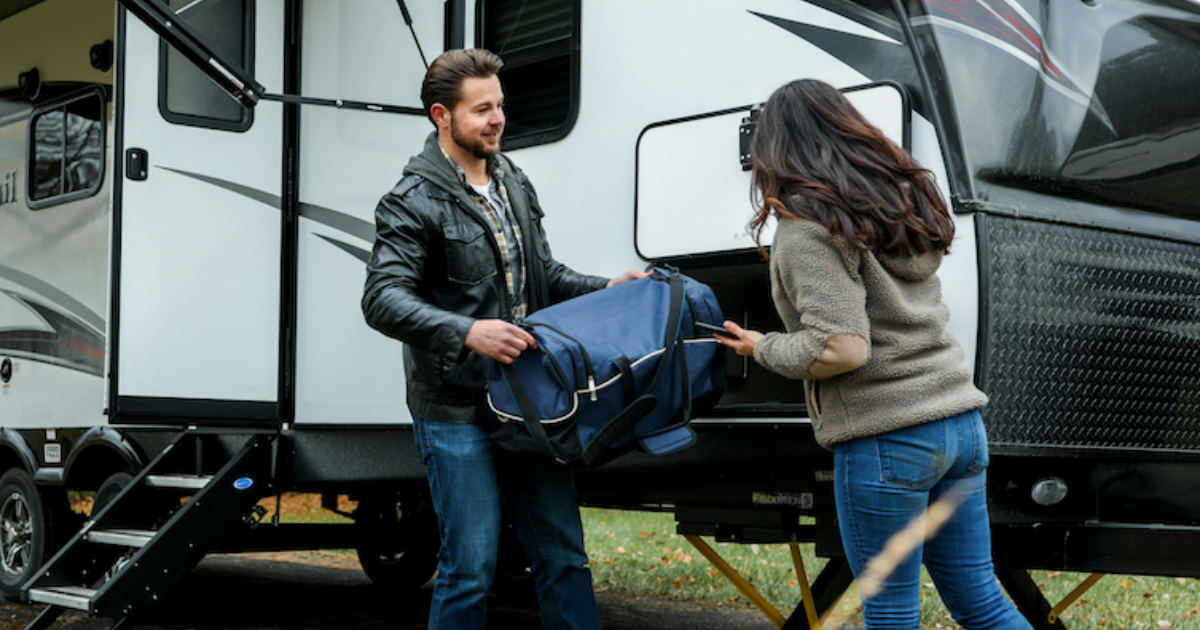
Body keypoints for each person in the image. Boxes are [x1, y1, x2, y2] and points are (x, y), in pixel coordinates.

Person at [715, 79, 1033, 630]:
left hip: (889, 436)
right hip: (959, 424)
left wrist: (761, 346)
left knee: (891, 613)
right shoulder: (896, 206)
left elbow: (841, 347)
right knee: (981, 602)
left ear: (775, 149)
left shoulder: (808, 229)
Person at [362, 48, 644, 629]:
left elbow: (544, 276)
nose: (498, 120)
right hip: (455, 410)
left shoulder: (512, 179)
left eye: (500, 106)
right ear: (442, 115)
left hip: (530, 402)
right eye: (482, 109)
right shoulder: (410, 201)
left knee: (563, 557)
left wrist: (608, 287)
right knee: (470, 568)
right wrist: (468, 332)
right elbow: (382, 299)